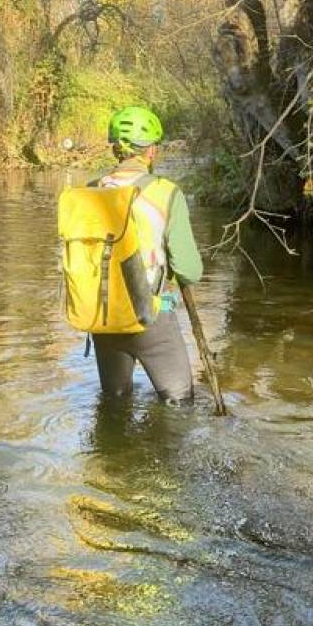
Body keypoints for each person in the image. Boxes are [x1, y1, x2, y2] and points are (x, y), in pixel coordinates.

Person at [89, 105, 204, 405]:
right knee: (180, 405)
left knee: (114, 404)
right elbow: (190, 271)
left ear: (115, 149)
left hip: (102, 319)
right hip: (150, 318)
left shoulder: (90, 191)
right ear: (151, 151)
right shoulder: (167, 192)